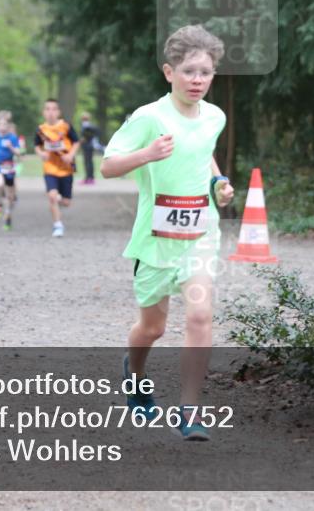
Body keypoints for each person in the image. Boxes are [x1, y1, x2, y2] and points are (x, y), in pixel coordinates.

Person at [100, 25, 234, 441]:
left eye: (205, 72)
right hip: (156, 239)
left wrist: (218, 183)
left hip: (200, 232)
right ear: (169, 72)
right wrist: (147, 153)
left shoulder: (214, 116)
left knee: (199, 315)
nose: (197, 80)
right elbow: (108, 166)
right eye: (189, 71)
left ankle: (189, 411)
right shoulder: (149, 117)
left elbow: (203, 153)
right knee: (152, 329)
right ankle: (135, 374)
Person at [34, 99, 79, 238]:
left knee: (66, 202)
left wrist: (70, 155)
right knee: (52, 196)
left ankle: (58, 201)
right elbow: (36, 145)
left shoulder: (66, 126)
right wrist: (41, 154)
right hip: (50, 169)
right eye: (47, 109)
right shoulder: (41, 130)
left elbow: (76, 142)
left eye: (54, 109)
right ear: (43, 112)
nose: (50, 112)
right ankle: (58, 225)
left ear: (58, 112)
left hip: (66, 169)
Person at [0, 110, 21, 231]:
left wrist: (11, 147)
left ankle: (8, 216)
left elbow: (19, 153)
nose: (2, 127)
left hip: (9, 167)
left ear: (8, 126)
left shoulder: (12, 138)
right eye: (0, 124)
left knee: (10, 196)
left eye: (5, 125)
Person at [79, 112, 99, 185]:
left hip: (87, 146)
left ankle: (89, 178)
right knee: (89, 162)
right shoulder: (90, 126)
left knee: (88, 162)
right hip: (89, 146)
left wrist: (83, 139)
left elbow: (86, 136)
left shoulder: (87, 126)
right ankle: (89, 177)